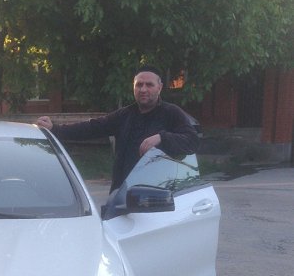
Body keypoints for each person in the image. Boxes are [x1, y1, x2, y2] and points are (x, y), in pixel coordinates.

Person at [37, 65, 200, 191]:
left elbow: (192, 141)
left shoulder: (171, 113)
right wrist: (55, 129)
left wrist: (162, 138)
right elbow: (92, 128)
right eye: (139, 85)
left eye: (149, 85)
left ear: (160, 87)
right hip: (122, 194)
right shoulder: (124, 115)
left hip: (158, 197)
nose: (143, 89)